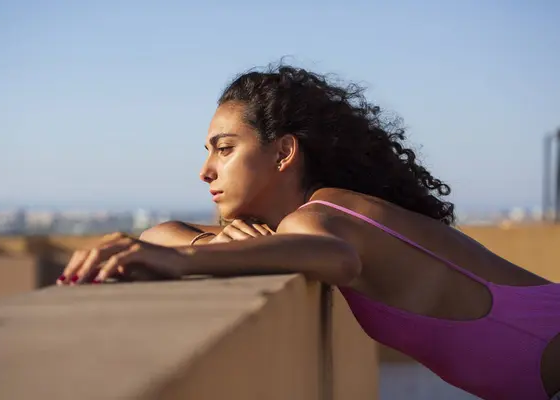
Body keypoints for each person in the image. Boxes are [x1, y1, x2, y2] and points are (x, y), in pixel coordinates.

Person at [57, 64, 560, 400]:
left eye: (224, 148)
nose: (206, 171)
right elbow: (163, 231)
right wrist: (188, 244)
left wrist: (187, 261)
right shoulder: (315, 215)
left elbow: (336, 259)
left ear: (283, 152)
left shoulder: (314, 219)